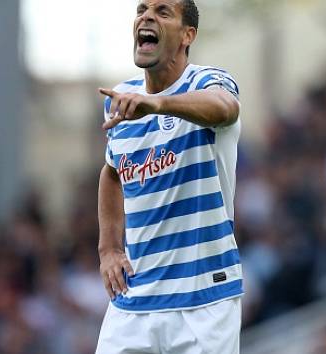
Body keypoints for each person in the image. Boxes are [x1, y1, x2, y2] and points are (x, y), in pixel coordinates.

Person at [96, 0, 243, 353]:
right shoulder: (121, 99)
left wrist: (159, 104)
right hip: (134, 298)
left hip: (204, 299)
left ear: (187, 35)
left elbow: (225, 109)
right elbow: (112, 172)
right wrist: (109, 249)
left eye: (163, 12)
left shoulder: (209, 81)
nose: (146, 16)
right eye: (142, 9)